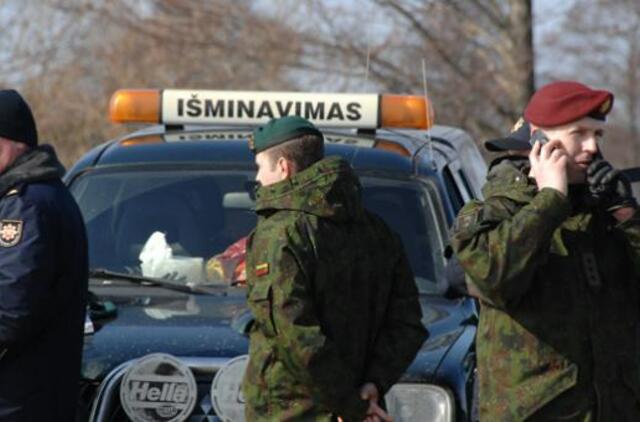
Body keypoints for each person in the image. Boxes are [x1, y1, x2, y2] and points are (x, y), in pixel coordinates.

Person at [450, 80, 640, 421]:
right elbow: (496, 278)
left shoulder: (606, 217)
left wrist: (627, 216)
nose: (592, 147)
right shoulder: (492, 213)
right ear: (537, 139)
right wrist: (550, 200)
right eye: (578, 133)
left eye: (598, 135)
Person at [242, 116, 427, 421]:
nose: (258, 178)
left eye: (261, 166)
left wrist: (349, 404)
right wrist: (372, 384)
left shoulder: (281, 232)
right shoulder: (378, 231)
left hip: (293, 412)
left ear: (284, 167)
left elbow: (294, 334)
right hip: (362, 404)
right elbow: (407, 323)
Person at [0, 89, 88, 420]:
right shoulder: (42, 194)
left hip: (18, 400)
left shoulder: (25, 204)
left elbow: (10, 310)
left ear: (9, 142)